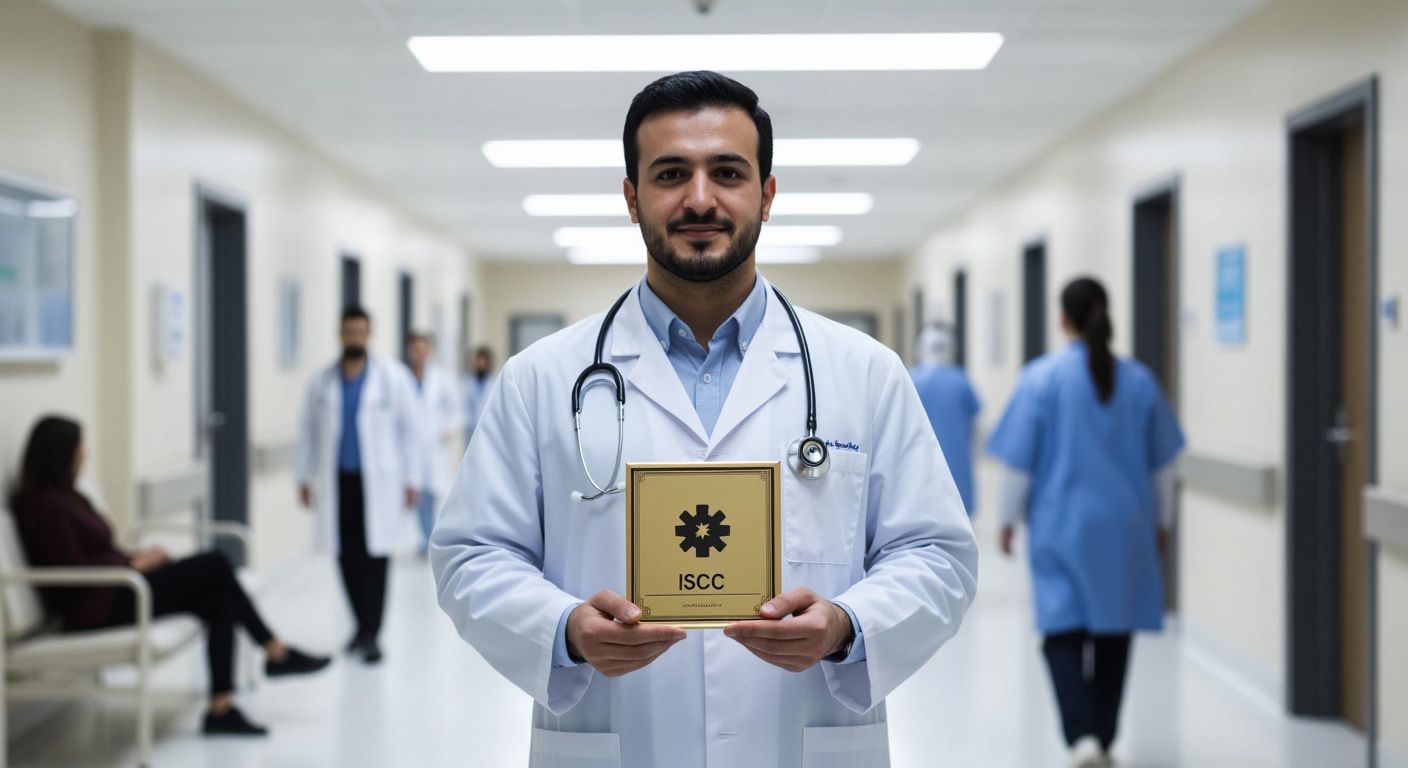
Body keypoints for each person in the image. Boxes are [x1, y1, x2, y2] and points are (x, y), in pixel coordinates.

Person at [431, 70, 978, 767]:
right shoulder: (540, 378)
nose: (698, 198)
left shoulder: (865, 372)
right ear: (631, 198)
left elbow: (938, 554)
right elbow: (471, 555)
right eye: (670, 174)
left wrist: (849, 624)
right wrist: (563, 628)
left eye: (727, 172)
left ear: (767, 194)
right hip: (619, 737)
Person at [10, 416, 330, 737]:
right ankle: (276, 651)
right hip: (97, 605)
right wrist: (132, 568)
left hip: (119, 587)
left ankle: (221, 708)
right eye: (79, 448)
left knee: (217, 601)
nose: (85, 454)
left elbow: (99, 550)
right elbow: (70, 570)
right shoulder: (40, 506)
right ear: (59, 453)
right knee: (215, 563)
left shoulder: (68, 496)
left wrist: (136, 557)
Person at [987, 277, 1184, 767]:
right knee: (1114, 630)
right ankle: (1104, 734)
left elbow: (1018, 466)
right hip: (1125, 528)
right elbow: (1163, 468)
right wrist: (1162, 521)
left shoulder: (1042, 379)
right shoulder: (1139, 381)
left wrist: (1006, 520)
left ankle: (1081, 738)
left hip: (1061, 524)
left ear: (1062, 318)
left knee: (1062, 629)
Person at [296, 306, 420, 664]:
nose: (354, 338)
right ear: (340, 334)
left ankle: (372, 633)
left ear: (369, 335)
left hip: (379, 483)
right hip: (338, 481)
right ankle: (360, 626)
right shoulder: (322, 382)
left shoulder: (392, 378)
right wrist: (303, 476)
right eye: (349, 331)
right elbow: (307, 432)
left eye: (360, 331)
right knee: (345, 555)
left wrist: (412, 478)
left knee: (375, 557)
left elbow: (412, 431)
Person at [909, 321, 981, 516]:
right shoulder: (961, 381)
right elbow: (976, 429)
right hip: (957, 470)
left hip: (919, 471)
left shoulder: (911, 379)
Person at [405, 332, 462, 553]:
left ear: (429, 351)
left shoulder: (441, 379)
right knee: (416, 492)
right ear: (409, 351)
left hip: (435, 445)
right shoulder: (402, 378)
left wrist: (448, 428)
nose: (419, 354)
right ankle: (423, 538)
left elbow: (456, 409)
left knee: (431, 494)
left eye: (423, 349)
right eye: (415, 350)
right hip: (411, 447)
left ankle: (429, 538)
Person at [460, 345, 496, 446]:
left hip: (489, 431)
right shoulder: (467, 382)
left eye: (483, 361)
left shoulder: (494, 382)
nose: (481, 364)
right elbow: (462, 406)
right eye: (478, 360)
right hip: (470, 430)